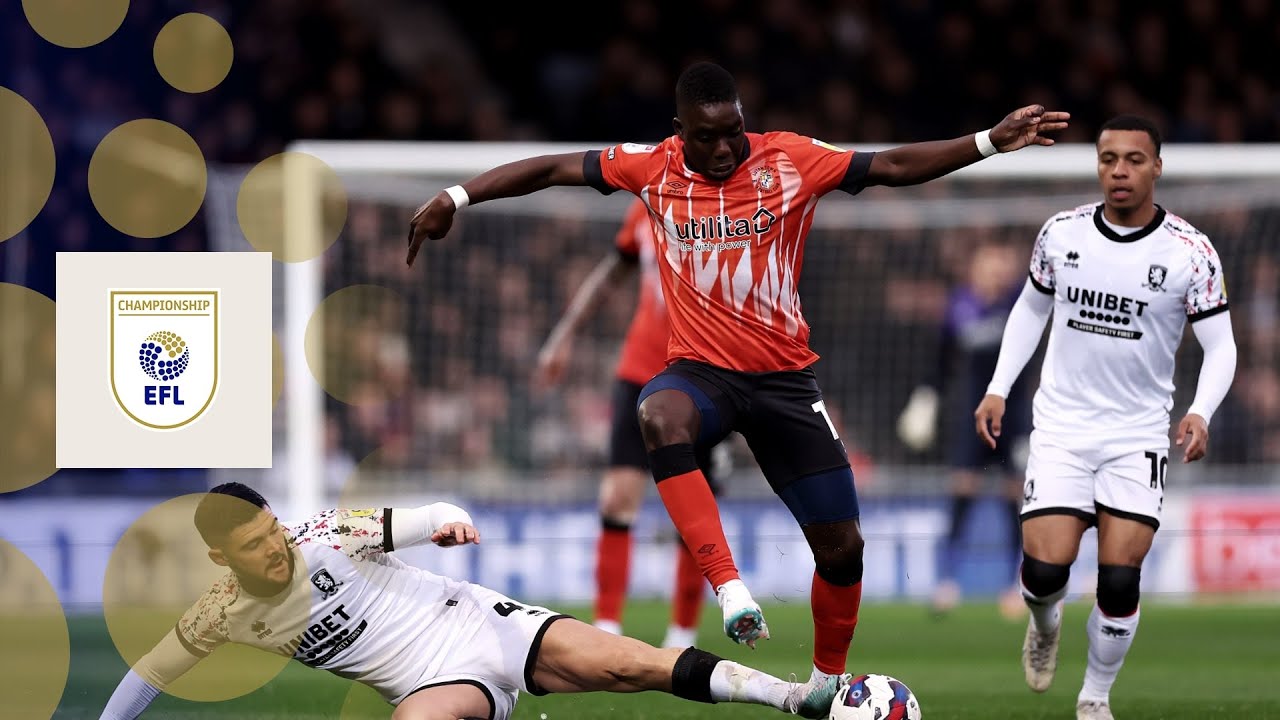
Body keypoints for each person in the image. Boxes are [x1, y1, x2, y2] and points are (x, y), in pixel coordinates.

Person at [407, 61, 1068, 688]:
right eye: (707, 136)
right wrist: (457, 196)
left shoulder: (788, 158)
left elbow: (890, 165)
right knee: (657, 415)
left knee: (844, 551)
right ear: (679, 132)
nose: (726, 148)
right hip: (701, 375)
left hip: (784, 383)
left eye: (733, 131)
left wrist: (988, 141)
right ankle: (729, 589)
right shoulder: (650, 168)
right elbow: (552, 166)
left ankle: (827, 684)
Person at [98, 482, 845, 720]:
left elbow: (418, 518)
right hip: (430, 682)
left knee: (631, 666)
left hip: (477, 621)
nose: (276, 547)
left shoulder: (323, 533)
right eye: (258, 545)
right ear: (221, 559)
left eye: (273, 531)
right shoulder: (220, 612)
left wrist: (446, 524)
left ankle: (793, 700)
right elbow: (151, 671)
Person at [973, 114, 1237, 720]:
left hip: (1138, 434)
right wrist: (997, 388)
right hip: (1062, 428)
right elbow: (1029, 312)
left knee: (1119, 581)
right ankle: (1043, 628)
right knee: (1043, 571)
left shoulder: (1190, 253)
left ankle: (1095, 697)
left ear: (1157, 167)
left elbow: (1221, 347)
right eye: (1108, 159)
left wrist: (1200, 411)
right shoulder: (1061, 234)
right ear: (1098, 164)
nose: (1119, 170)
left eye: (1134, 160)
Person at [534, 197, 726, 649]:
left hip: (702, 377)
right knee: (617, 498)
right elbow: (612, 273)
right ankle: (606, 629)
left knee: (692, 514)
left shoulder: (724, 209)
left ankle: (682, 636)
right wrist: (564, 336)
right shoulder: (645, 208)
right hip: (640, 371)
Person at [896, 242, 1032, 617]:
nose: (996, 272)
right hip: (971, 413)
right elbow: (940, 362)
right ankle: (947, 582)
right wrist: (925, 398)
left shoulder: (1020, 304)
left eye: (1001, 265)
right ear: (974, 269)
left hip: (1015, 415)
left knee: (1015, 496)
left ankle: (1015, 584)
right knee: (962, 490)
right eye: (988, 265)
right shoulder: (959, 306)